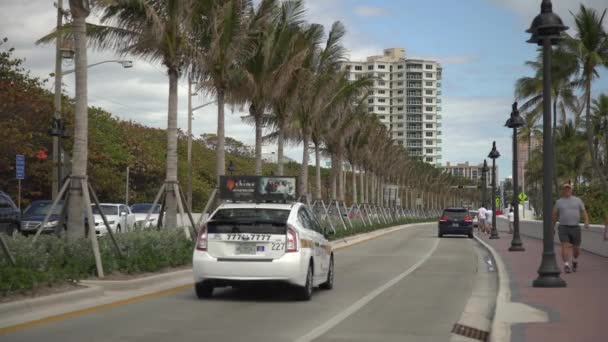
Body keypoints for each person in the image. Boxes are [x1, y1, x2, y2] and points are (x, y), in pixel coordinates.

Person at [552, 183, 589, 273]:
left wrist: (586, 221)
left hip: (575, 227)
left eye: (568, 189)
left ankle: (574, 261)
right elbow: (554, 215)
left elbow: (584, 212)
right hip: (563, 227)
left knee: (576, 249)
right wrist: (552, 227)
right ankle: (566, 265)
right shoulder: (559, 202)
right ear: (563, 191)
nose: (567, 190)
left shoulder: (578, 200)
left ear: (571, 190)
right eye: (565, 189)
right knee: (565, 245)